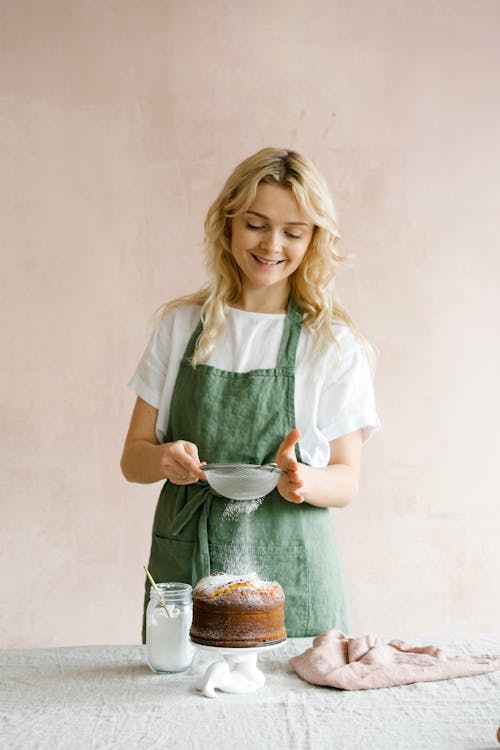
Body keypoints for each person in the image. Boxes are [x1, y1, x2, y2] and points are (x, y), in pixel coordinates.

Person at [121, 147, 380, 640]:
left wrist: (302, 479)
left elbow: (346, 481)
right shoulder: (181, 328)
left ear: (314, 240)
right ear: (229, 225)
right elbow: (132, 459)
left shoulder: (331, 343)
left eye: (294, 231)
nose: (272, 244)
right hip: (188, 558)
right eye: (256, 224)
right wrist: (164, 460)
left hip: (295, 566)